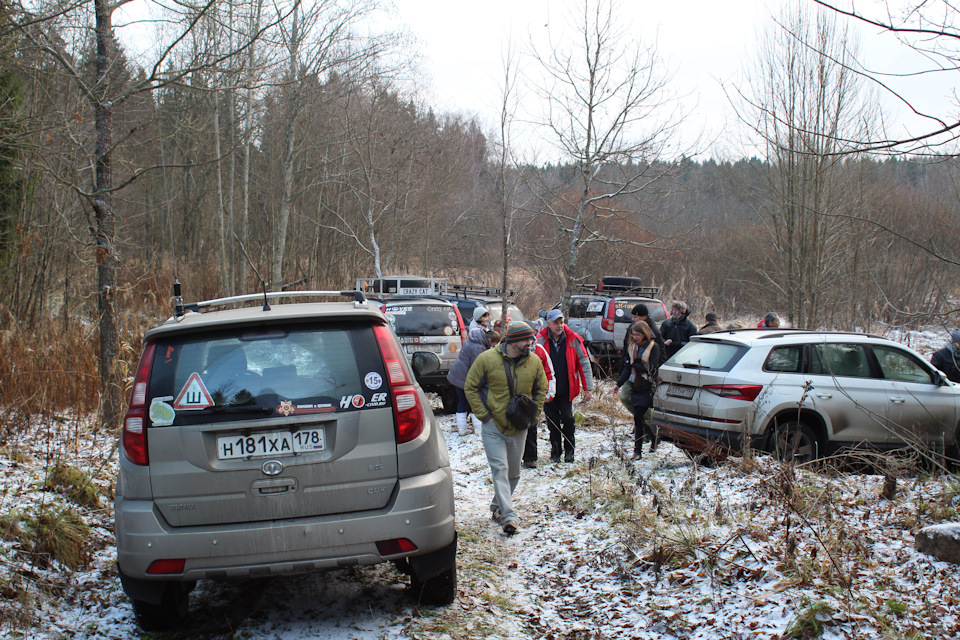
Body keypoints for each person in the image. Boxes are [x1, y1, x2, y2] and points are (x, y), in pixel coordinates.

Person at [465, 321, 547, 536]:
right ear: (512, 340)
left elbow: (542, 388)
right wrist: (485, 417)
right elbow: (470, 386)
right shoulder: (487, 359)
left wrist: (534, 414)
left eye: (531, 339)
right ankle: (509, 517)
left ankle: (497, 506)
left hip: (520, 426)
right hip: (494, 426)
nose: (531, 343)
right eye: (526, 339)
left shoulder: (535, 361)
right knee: (500, 469)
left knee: (514, 473)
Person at [536, 309, 594, 463]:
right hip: (548, 390)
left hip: (567, 389)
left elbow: (584, 363)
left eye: (561, 322)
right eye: (555, 322)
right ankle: (555, 452)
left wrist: (588, 388)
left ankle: (570, 451)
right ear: (548, 324)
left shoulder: (573, 339)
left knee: (568, 419)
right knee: (552, 422)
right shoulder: (540, 340)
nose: (559, 325)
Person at [611, 320, 660, 459]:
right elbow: (628, 368)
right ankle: (653, 438)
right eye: (633, 334)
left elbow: (650, 368)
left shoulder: (653, 347)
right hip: (635, 385)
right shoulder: (632, 347)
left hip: (648, 385)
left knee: (638, 416)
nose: (635, 337)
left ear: (645, 334)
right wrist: (618, 384)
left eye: (637, 334)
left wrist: (634, 364)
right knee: (639, 419)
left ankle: (637, 451)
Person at [618, 304, 666, 415]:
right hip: (631, 372)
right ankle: (641, 421)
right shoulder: (633, 328)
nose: (632, 319)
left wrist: (654, 371)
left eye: (635, 317)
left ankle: (645, 423)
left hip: (646, 375)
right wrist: (625, 363)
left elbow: (661, 352)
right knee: (627, 398)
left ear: (644, 317)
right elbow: (627, 347)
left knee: (642, 403)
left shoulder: (653, 332)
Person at [446, 327, 493, 435]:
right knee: (474, 403)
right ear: (489, 341)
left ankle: (462, 429)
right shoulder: (479, 348)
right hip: (465, 379)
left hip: (458, 376)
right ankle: (478, 430)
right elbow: (477, 368)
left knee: (462, 402)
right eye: (492, 345)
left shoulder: (474, 339)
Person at [522, 341, 556, 469]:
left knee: (531, 427)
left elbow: (548, 371)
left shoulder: (539, 350)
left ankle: (529, 458)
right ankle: (511, 457)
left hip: (533, 395)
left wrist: (549, 392)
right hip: (515, 393)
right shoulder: (511, 349)